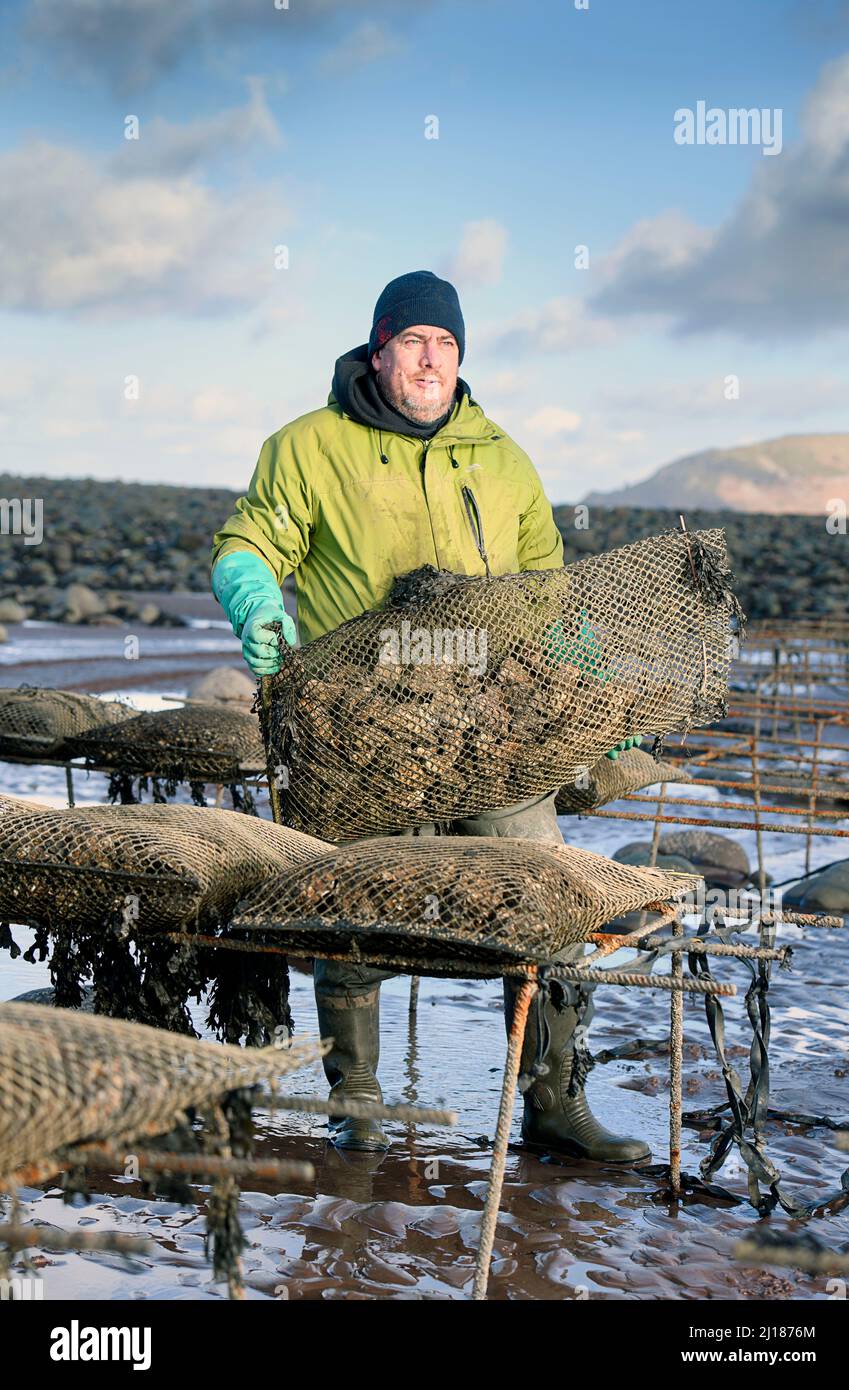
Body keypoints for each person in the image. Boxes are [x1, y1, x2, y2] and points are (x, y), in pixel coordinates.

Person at [211, 270, 648, 1162]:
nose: (430, 359)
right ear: (379, 350)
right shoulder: (307, 447)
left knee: (547, 892)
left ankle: (553, 1101)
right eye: (413, 341)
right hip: (359, 726)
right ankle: (357, 1100)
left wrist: (599, 686)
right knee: (356, 897)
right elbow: (248, 540)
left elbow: (548, 593)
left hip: (489, 724)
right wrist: (254, 600)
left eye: (445, 344)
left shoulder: (502, 457)